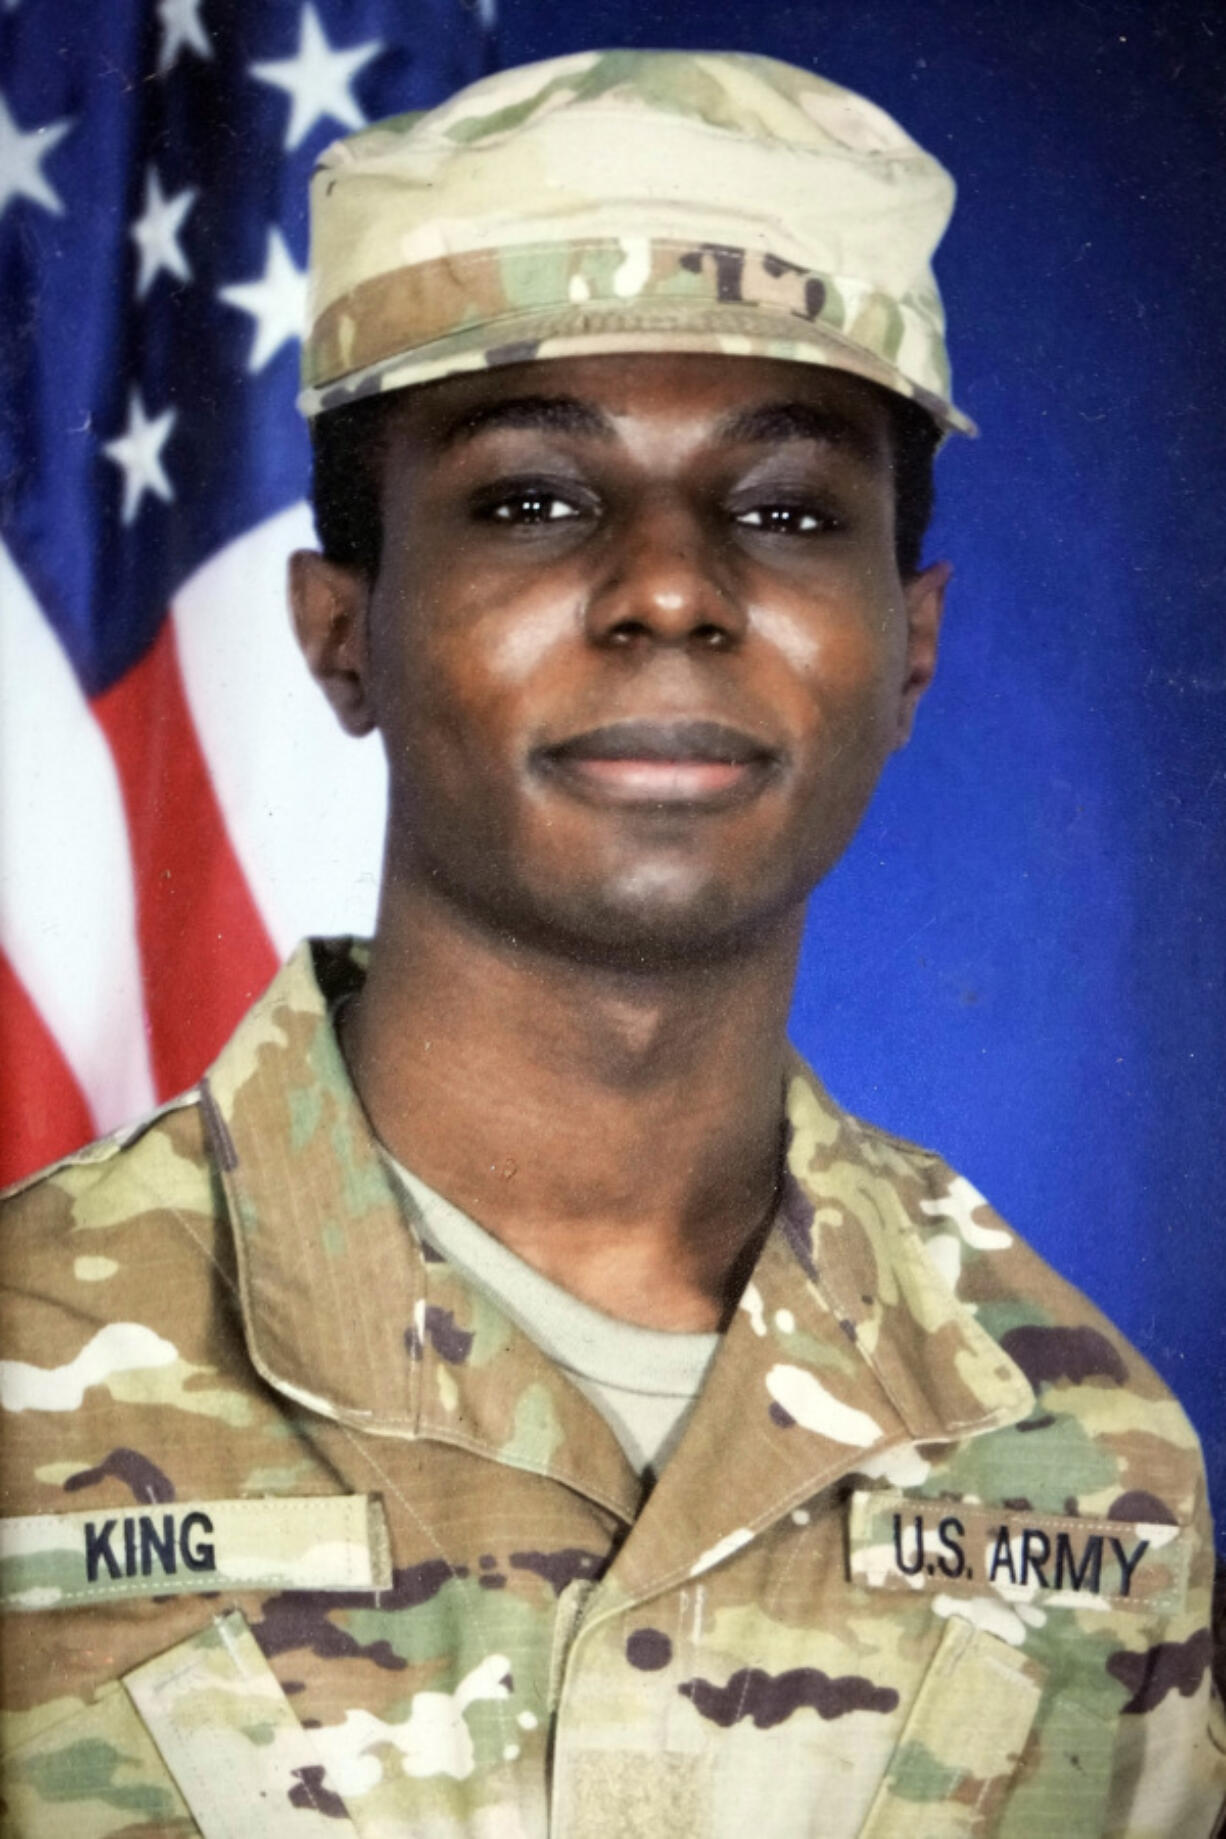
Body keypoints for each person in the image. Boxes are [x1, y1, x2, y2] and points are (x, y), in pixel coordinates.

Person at [1, 49, 1222, 1839]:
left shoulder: (1089, 1456)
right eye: (531, 500)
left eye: (787, 508)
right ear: (342, 635)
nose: (671, 585)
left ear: (911, 650)